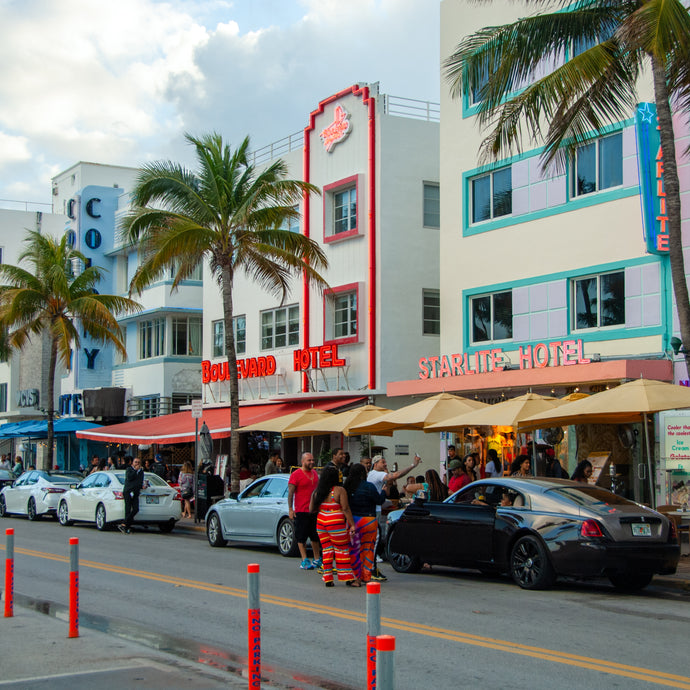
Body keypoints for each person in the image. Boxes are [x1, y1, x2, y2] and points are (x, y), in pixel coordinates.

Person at [310, 466, 360, 587]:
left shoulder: (317, 492)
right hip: (335, 521)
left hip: (321, 521)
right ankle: (347, 578)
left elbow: (311, 509)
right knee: (341, 549)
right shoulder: (339, 490)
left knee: (327, 550)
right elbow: (345, 508)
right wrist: (352, 525)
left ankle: (328, 578)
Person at [344, 463, 387, 583]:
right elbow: (379, 501)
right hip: (369, 521)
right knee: (368, 549)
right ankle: (366, 575)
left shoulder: (347, 487)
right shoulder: (369, 486)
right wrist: (383, 492)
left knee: (354, 549)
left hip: (353, 521)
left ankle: (354, 575)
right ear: (364, 474)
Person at [288, 452, 322, 571]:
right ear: (302, 462)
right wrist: (291, 509)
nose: (311, 462)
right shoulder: (296, 474)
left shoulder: (315, 474)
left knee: (315, 535)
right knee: (301, 536)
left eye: (312, 460)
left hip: (314, 510)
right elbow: (291, 493)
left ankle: (317, 559)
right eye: (309, 460)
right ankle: (304, 560)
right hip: (301, 510)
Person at [119, 457, 145, 534]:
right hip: (128, 491)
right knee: (128, 508)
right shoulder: (129, 470)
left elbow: (140, 481)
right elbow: (129, 478)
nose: (137, 464)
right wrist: (135, 470)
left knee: (135, 509)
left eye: (138, 462)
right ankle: (126, 527)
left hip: (135, 492)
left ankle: (124, 523)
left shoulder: (141, 472)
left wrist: (142, 486)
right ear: (132, 463)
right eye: (136, 462)